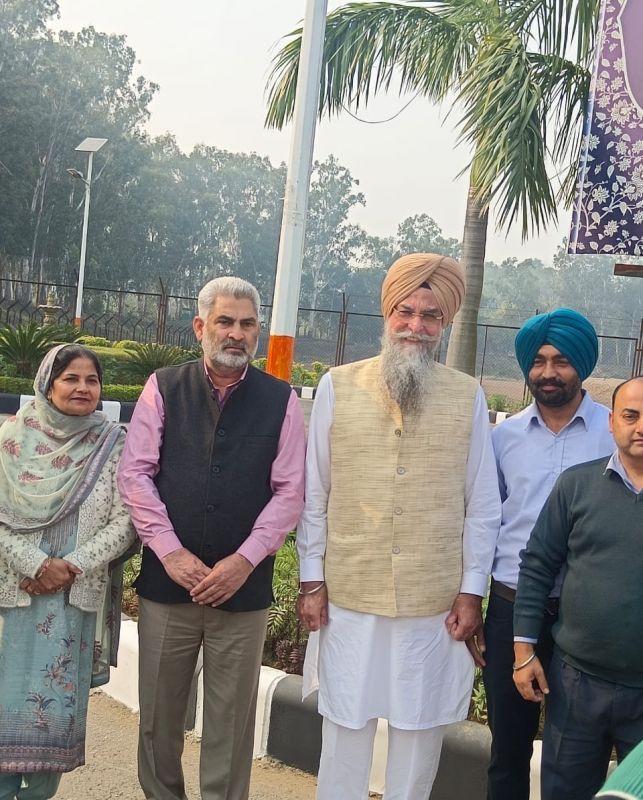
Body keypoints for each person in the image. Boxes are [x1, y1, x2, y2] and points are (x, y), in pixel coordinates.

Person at [297, 253, 501, 800]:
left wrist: (471, 592)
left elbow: (482, 505)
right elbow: (315, 494)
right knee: (344, 728)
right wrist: (311, 582)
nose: (416, 325)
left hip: (431, 604)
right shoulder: (338, 386)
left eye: (430, 315)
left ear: (445, 323)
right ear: (387, 316)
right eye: (405, 312)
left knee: (419, 730)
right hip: (349, 596)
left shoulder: (468, 396)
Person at [117, 276, 306, 800]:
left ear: (258, 332)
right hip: (167, 588)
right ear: (200, 327)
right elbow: (135, 475)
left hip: (241, 595)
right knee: (158, 720)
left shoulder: (280, 400)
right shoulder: (164, 387)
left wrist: (244, 561)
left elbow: (290, 491)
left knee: (230, 727)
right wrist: (171, 552)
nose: (237, 334)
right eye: (225, 321)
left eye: (248, 324)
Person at [483, 308, 614, 800]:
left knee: (581, 751)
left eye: (561, 360)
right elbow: (484, 522)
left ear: (582, 365)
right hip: (512, 608)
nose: (548, 372)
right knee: (508, 749)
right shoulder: (504, 438)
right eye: (537, 361)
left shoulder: (614, 434)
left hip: (586, 616)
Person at [0, 344, 137, 800]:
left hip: (71, 605)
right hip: (11, 599)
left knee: (51, 722)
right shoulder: (10, 441)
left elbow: (127, 521)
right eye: (71, 378)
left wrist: (69, 567)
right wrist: (36, 563)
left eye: (91, 380)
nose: (83, 388)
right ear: (47, 383)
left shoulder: (113, 443)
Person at [512, 376, 643, 800]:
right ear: (612, 423)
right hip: (576, 684)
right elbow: (536, 566)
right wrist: (523, 651)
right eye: (631, 415)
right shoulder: (576, 486)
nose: (641, 426)